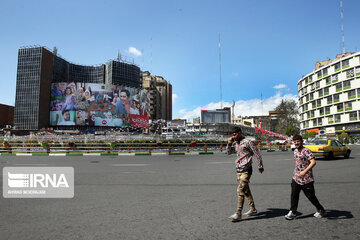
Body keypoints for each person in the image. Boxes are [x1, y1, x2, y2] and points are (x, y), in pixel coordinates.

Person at [227, 127, 264, 222]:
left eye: (234, 134)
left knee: (240, 190)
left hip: (246, 169)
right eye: (232, 135)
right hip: (238, 169)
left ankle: (238, 213)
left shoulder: (248, 142)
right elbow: (229, 152)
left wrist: (260, 166)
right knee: (246, 190)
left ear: (239, 133)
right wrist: (229, 144)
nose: (233, 136)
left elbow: (257, 153)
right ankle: (253, 209)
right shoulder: (235, 143)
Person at [284, 135, 326, 220]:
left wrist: (304, 171)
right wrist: (297, 173)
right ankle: (293, 212)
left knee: (311, 196)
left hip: (307, 178)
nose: (296, 143)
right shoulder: (295, 151)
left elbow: (313, 162)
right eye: (295, 142)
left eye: (298, 141)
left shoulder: (306, 151)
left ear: (302, 141)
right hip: (296, 177)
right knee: (294, 195)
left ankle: (321, 209)